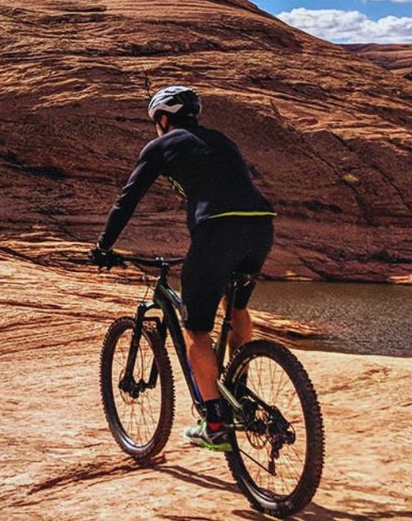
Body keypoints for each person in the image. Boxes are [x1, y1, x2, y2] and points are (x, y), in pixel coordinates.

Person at [90, 86, 275, 452]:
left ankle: (216, 423)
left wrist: (103, 246)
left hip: (218, 230)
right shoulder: (222, 140)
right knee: (235, 307)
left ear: (162, 119)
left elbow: (128, 198)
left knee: (196, 329)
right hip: (261, 226)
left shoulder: (161, 146)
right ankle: (237, 382)